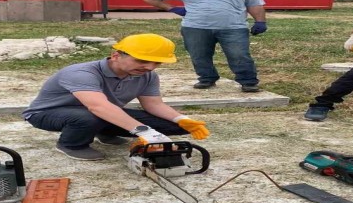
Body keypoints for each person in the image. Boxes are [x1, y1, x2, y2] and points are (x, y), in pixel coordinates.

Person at [22, 33, 211, 161]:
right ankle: (72, 145)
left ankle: (104, 131)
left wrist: (181, 119)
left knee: (173, 126)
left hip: (101, 112)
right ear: (116, 56)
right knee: (91, 116)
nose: (149, 67)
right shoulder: (81, 73)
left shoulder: (147, 75)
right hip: (47, 114)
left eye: (157, 63)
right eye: (142, 60)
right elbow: (98, 107)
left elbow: (154, 105)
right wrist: (145, 132)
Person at [142, 0, 267, 93]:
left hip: (234, 28)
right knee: (199, 56)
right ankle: (207, 78)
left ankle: (248, 82)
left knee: (239, 56)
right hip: (195, 28)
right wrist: (173, 8)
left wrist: (260, 21)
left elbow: (255, 4)